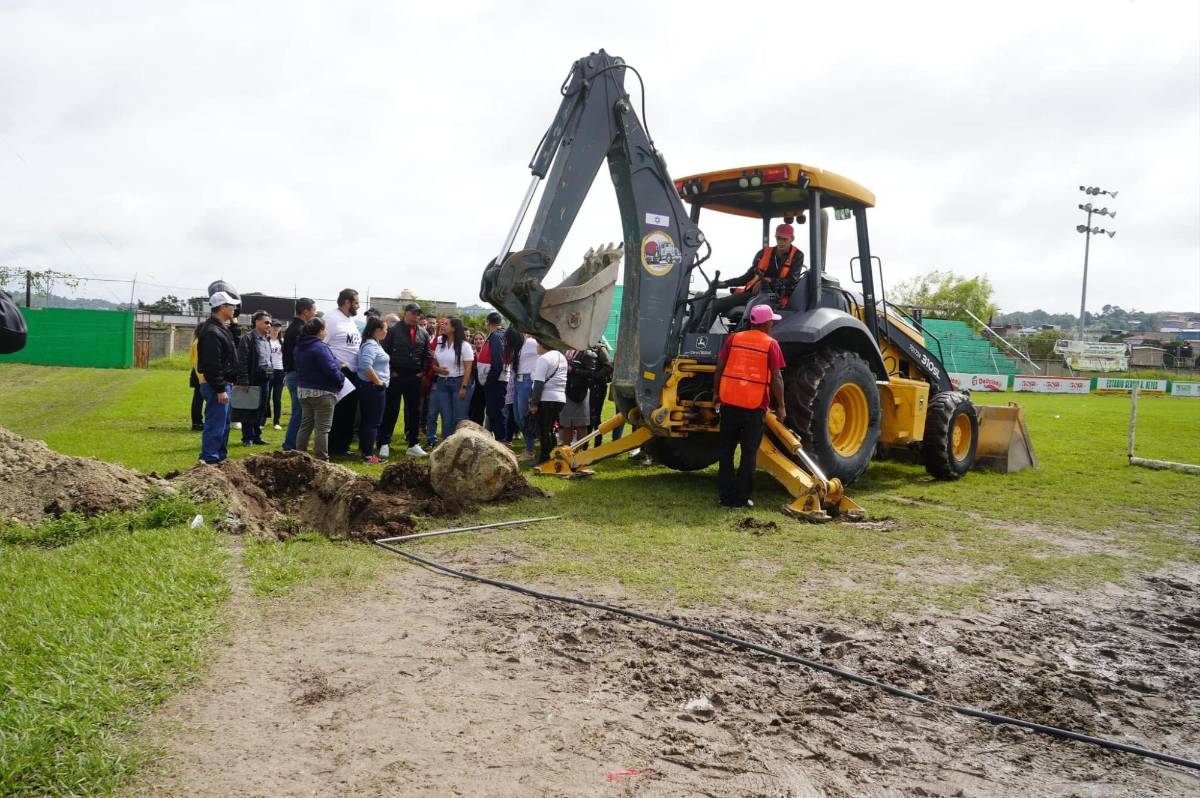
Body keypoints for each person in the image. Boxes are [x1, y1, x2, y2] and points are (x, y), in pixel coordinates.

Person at [712, 304, 788, 508]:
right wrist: (781, 406)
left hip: (729, 402)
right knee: (748, 453)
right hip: (754, 406)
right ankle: (742, 498)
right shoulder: (771, 344)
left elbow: (719, 368)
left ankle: (725, 498)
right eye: (771, 321)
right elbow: (777, 377)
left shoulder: (733, 339)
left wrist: (716, 394)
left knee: (726, 451)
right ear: (765, 323)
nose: (772, 324)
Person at [711, 223, 805, 317]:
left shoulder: (797, 255)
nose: (781, 241)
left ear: (792, 238)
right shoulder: (763, 253)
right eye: (778, 238)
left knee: (752, 309)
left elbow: (792, 280)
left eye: (784, 239)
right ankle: (701, 330)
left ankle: (743, 330)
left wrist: (768, 281)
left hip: (776, 298)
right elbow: (747, 277)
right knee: (716, 304)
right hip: (755, 294)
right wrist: (725, 283)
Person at [379, 303, 430, 458]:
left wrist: (422, 371)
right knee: (391, 410)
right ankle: (384, 442)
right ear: (406, 313)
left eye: (418, 314)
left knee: (415, 411)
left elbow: (426, 354)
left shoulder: (423, 333)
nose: (416, 316)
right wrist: (391, 371)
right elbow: (384, 352)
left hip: (414, 378)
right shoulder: (393, 331)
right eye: (414, 313)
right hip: (396, 377)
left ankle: (413, 443)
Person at [195, 292, 239, 464]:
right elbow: (212, 364)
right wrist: (220, 388)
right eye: (231, 305)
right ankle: (209, 460)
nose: (235, 308)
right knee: (216, 425)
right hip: (216, 386)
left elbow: (234, 346)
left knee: (224, 425)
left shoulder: (220, 328)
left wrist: (234, 325)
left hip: (223, 384)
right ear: (222, 307)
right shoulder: (212, 331)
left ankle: (220, 458)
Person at [294, 317, 345, 461]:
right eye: (325, 329)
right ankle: (322, 460)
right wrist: (341, 379)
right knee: (322, 429)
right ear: (320, 331)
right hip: (323, 392)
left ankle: (300, 456)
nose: (326, 332)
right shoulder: (320, 347)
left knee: (305, 425)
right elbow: (330, 369)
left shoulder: (299, 346)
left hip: (304, 390)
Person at [325, 288, 362, 457]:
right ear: (347, 302)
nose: (359, 306)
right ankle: (334, 447)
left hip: (354, 373)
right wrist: (336, 363)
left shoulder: (350, 320)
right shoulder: (331, 319)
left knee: (350, 412)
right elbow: (321, 345)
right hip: (340, 372)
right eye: (356, 303)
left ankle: (344, 447)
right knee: (339, 412)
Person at [430, 317, 475, 444]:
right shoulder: (440, 343)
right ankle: (447, 444)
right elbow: (433, 364)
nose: (443, 326)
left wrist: (464, 387)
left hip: (459, 382)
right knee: (446, 417)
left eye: (447, 324)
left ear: (454, 328)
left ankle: (463, 445)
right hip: (442, 383)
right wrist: (439, 370)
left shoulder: (465, 346)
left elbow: (468, 368)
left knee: (460, 417)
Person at [281, 297, 317, 451]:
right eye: (313, 310)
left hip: (293, 373)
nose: (315, 313)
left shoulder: (294, 327)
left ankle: (294, 445)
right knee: (300, 412)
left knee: (301, 412)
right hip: (298, 375)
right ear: (305, 311)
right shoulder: (300, 329)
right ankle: (290, 446)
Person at [234, 310, 273, 446]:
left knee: (262, 407)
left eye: (270, 322)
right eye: (266, 322)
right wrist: (244, 379)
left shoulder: (267, 339)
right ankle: (247, 438)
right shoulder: (248, 338)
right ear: (256, 322)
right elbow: (242, 360)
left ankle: (257, 436)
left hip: (265, 378)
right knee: (249, 407)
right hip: (252, 378)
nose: (269, 325)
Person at [356, 317, 390, 463]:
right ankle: (369, 456)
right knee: (373, 422)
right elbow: (365, 365)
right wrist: (377, 382)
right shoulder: (371, 345)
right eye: (385, 329)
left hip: (369, 387)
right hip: (373, 388)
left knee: (368, 420)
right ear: (377, 330)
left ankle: (365, 451)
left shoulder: (374, 343)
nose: (387, 331)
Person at [529, 342, 568, 464]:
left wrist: (534, 403)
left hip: (547, 398)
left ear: (542, 346)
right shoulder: (561, 356)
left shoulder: (543, 359)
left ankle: (545, 459)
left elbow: (539, 383)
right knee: (550, 429)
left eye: (537, 345)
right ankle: (553, 456)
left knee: (545, 430)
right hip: (560, 398)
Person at [478, 311, 509, 440]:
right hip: (498, 379)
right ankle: (499, 437)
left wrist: (490, 380)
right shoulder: (501, 335)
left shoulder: (496, 336)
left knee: (496, 411)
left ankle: (501, 439)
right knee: (494, 411)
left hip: (496, 380)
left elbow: (497, 361)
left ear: (488, 323)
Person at [558, 348, 596, 447]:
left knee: (581, 424)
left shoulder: (587, 353)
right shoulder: (563, 351)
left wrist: (572, 370)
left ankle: (580, 452)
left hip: (580, 393)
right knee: (566, 423)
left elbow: (591, 374)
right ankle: (565, 450)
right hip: (566, 391)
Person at [585, 340, 613, 448]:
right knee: (587, 416)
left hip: (597, 387)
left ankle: (597, 443)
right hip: (589, 386)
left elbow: (609, 366)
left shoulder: (600, 348)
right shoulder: (586, 346)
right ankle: (584, 443)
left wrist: (595, 377)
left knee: (595, 416)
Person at [264, 319, 285, 430]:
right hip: (268, 371)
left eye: (278, 326)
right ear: (270, 327)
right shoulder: (265, 340)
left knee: (277, 398)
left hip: (280, 371)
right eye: (274, 326)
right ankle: (262, 421)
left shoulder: (282, 341)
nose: (276, 328)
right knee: (266, 397)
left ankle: (276, 422)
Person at [188, 321, 204, 431]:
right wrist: (201, 377)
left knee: (197, 399)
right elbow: (197, 360)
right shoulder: (199, 342)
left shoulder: (196, 341)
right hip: (200, 374)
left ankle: (197, 422)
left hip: (197, 372)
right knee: (198, 399)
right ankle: (197, 423)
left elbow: (192, 359)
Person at [468, 330, 486, 424]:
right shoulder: (470, 352)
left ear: (484, 340)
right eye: (476, 339)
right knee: (471, 409)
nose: (478, 341)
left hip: (483, 386)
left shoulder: (487, 353)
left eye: (481, 339)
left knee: (480, 409)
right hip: (472, 384)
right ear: (473, 341)